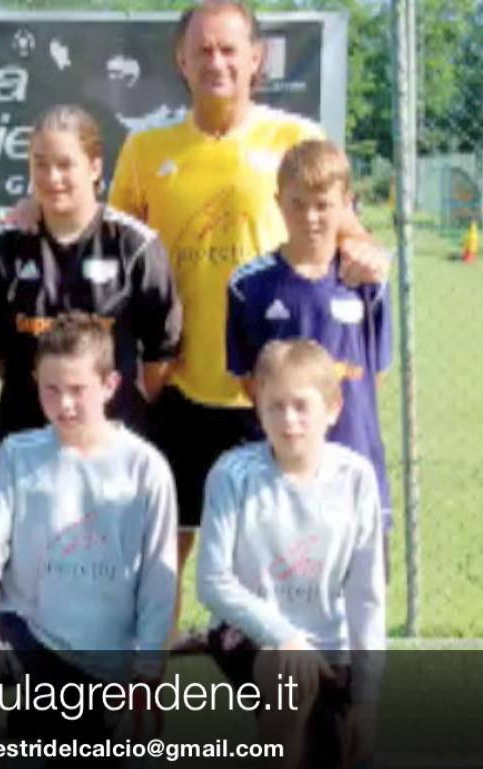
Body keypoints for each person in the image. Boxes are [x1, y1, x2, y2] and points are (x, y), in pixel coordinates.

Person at [104, 0, 387, 648]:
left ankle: (296, 685)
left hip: (274, 399)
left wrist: (368, 249)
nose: (217, 61)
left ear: (256, 57)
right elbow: (110, 241)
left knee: (281, 556)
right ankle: (145, 687)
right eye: (202, 49)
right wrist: (32, 205)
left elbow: (346, 229)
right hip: (180, 388)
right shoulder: (146, 149)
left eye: (230, 48)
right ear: (180, 60)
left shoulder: (295, 138)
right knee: (162, 553)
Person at [0, 312, 178, 768]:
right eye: (51, 389)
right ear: (35, 385)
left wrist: (147, 672)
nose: (64, 404)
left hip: (105, 660)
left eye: (78, 390)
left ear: (109, 385)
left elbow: (159, 584)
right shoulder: (17, 455)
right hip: (27, 635)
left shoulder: (145, 469)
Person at [197, 339, 386, 769]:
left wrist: (367, 697)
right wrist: (284, 635)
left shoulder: (356, 477)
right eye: (275, 406)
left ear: (333, 408)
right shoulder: (232, 474)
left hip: (328, 643)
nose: (289, 420)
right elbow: (212, 582)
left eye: (302, 406)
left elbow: (366, 595)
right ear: (258, 407)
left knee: (348, 750)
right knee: (289, 679)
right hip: (250, 633)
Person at [0, 105, 181, 449]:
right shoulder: (4, 248)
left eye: (65, 164)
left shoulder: (134, 246)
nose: (52, 177)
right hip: (26, 439)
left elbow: (162, 352)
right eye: (40, 164)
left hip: (114, 441)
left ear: (94, 167)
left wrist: (113, 402)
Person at [227, 139, 393, 544]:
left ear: (347, 204)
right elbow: (249, 383)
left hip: (355, 458)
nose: (311, 217)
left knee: (360, 579)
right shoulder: (248, 284)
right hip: (279, 471)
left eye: (323, 205)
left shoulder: (368, 282)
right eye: (297, 204)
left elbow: (375, 375)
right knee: (280, 574)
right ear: (278, 203)